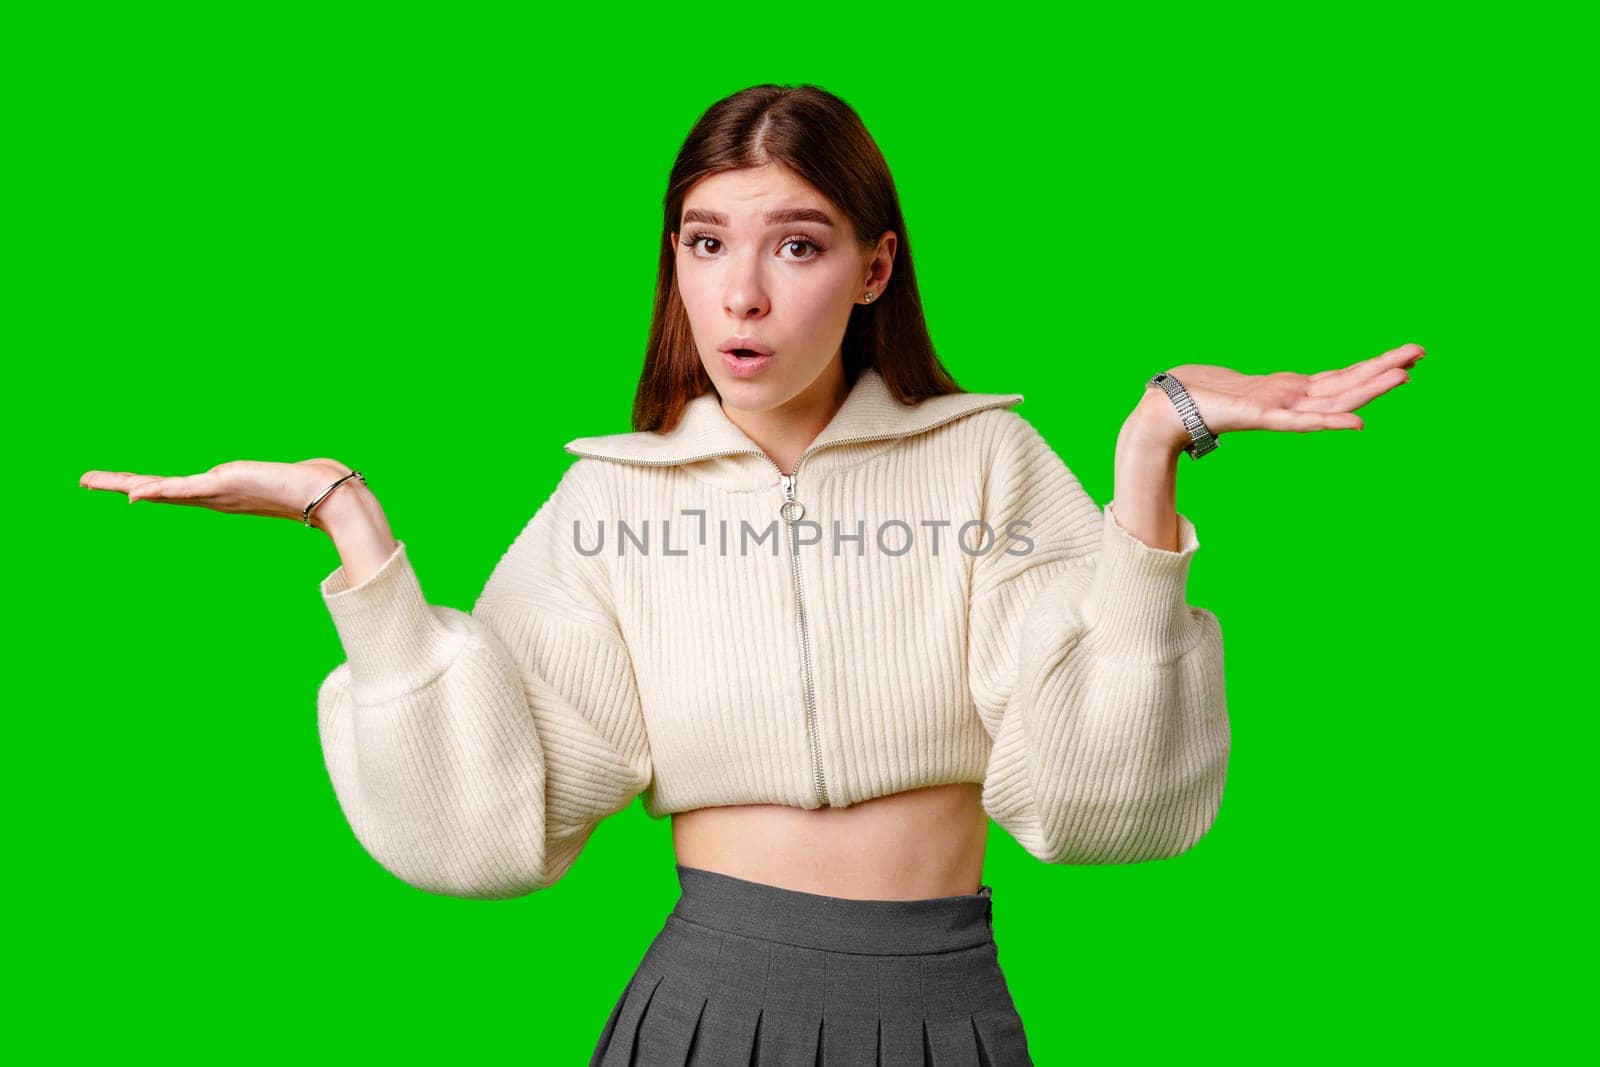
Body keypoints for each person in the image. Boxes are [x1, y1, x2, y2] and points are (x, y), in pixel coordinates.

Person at [79, 83, 1424, 1065]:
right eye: (705, 241)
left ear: (873, 267)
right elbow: (481, 822)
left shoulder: (988, 464)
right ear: (672, 262)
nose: (742, 296)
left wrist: (1150, 461)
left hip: (942, 1004)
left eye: (796, 243)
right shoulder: (612, 496)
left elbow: (1109, 801)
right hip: (708, 1009)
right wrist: (353, 533)